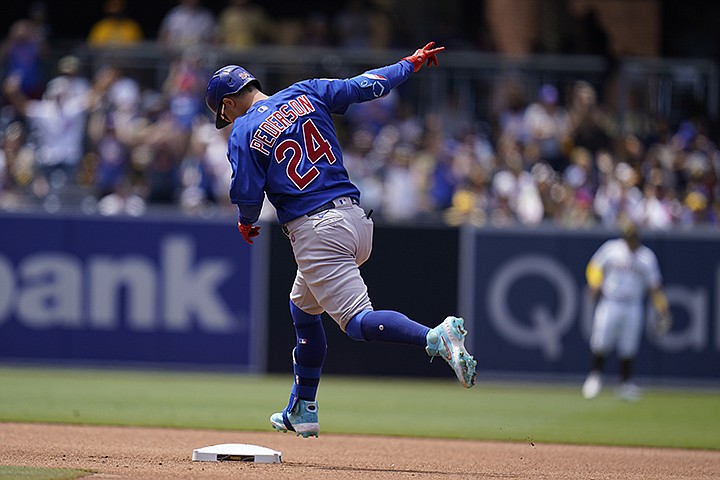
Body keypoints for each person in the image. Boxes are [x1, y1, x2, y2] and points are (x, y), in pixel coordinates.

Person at [205, 42, 477, 437]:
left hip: (317, 231)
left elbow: (247, 196)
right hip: (355, 220)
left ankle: (435, 337)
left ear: (228, 103)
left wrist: (246, 223)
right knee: (303, 305)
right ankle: (303, 407)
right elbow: (368, 85)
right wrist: (410, 63)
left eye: (222, 112)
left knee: (357, 323)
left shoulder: (243, 131)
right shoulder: (306, 91)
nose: (224, 118)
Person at [582, 222, 672, 401]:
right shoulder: (612, 249)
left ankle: (625, 384)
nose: (631, 242)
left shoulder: (647, 257)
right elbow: (594, 266)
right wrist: (595, 283)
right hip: (610, 302)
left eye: (634, 238)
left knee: (628, 346)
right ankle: (595, 377)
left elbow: (655, 287)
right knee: (601, 340)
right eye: (629, 238)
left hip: (633, 305)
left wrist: (663, 307)